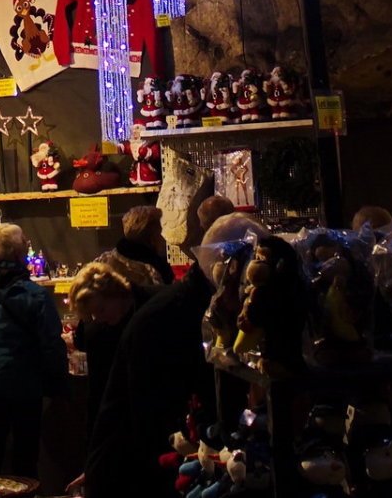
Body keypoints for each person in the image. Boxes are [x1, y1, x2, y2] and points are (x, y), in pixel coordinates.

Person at [85, 212, 264, 498]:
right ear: (229, 268)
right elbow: (149, 423)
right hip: (145, 477)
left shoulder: (189, 309)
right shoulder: (173, 317)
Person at [0, 224, 64, 479]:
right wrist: (56, 385)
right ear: (20, 252)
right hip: (26, 384)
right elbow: (51, 343)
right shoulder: (35, 295)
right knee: (25, 455)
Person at [68, 260, 147, 430]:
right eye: (91, 314)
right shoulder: (96, 328)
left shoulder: (147, 312)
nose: (97, 318)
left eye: (101, 309)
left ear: (115, 294)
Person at [92, 204, 174, 288]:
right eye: (159, 232)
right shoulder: (155, 272)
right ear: (150, 236)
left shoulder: (103, 261)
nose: (162, 237)